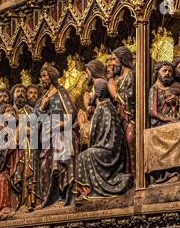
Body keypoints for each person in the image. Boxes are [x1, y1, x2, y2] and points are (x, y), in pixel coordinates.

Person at [75, 79, 132, 202]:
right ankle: (87, 191)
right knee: (84, 155)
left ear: (98, 92)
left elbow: (91, 135)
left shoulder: (102, 107)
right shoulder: (104, 106)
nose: (90, 94)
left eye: (92, 91)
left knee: (82, 157)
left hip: (110, 151)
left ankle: (88, 190)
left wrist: (82, 125)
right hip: (107, 148)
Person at [34, 65, 78, 208]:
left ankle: (63, 195)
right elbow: (34, 122)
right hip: (45, 138)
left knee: (60, 158)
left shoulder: (60, 92)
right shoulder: (41, 100)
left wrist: (61, 125)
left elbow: (71, 111)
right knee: (45, 166)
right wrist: (42, 107)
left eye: (45, 76)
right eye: (41, 76)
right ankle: (49, 200)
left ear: (52, 77)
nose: (42, 79)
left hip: (60, 132)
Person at [10, 84, 41, 212]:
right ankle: (22, 201)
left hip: (31, 146)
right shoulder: (9, 111)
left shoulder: (29, 111)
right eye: (18, 91)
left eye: (24, 91)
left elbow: (34, 130)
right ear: (13, 95)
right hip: (16, 149)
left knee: (30, 169)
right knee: (21, 171)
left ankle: (33, 200)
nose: (21, 94)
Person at [108, 46, 136, 176]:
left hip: (131, 117)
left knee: (130, 139)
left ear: (122, 59)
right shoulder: (117, 78)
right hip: (120, 117)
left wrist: (114, 94)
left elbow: (130, 96)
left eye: (114, 59)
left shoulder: (131, 74)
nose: (112, 63)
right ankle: (125, 173)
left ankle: (136, 173)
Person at [148, 61, 180, 127]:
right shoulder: (154, 88)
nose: (167, 73)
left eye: (170, 71)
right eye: (164, 71)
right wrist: (167, 119)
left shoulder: (175, 88)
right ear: (158, 73)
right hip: (160, 123)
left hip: (174, 119)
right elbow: (152, 112)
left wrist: (177, 100)